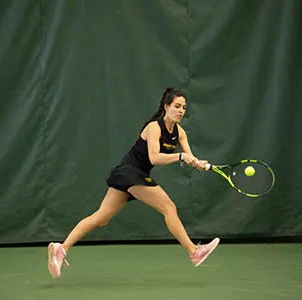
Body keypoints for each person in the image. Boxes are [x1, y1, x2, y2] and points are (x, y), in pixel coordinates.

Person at [47, 87, 220, 279]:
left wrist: (198, 163)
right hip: (130, 172)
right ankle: (193, 251)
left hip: (130, 175)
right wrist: (181, 156)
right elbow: (154, 158)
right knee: (169, 208)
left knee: (101, 218)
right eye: (177, 106)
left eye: (184, 107)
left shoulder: (180, 133)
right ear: (166, 106)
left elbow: (190, 157)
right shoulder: (154, 127)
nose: (181, 110)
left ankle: (60, 249)